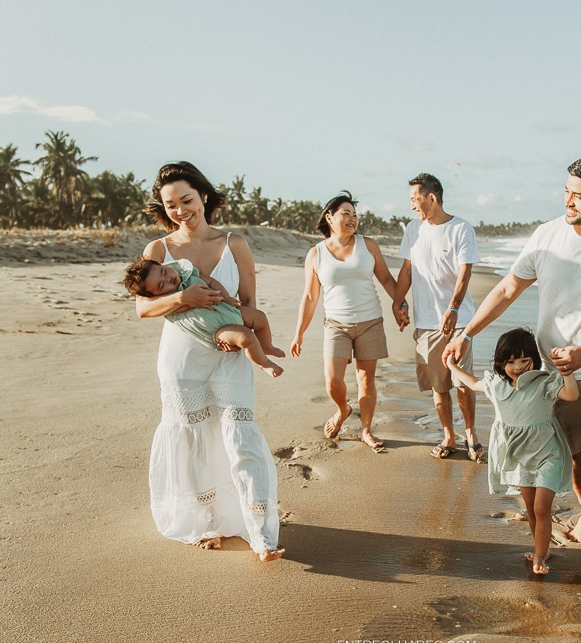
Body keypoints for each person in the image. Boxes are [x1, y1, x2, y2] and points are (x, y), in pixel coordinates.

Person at [443, 156, 581, 601]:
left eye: (578, 194)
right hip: (555, 377)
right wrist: (466, 333)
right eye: (566, 190)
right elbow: (509, 287)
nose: (567, 200)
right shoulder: (548, 236)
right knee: (577, 457)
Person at [135, 161, 284, 561]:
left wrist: (248, 338)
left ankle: (261, 532)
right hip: (182, 361)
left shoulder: (234, 243)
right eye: (171, 205)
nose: (181, 210)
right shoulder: (158, 250)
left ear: (203, 196)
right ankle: (208, 522)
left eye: (186, 200)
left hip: (230, 353)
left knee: (240, 437)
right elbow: (143, 309)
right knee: (195, 440)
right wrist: (184, 298)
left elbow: (250, 302)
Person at [446, 328, 578, 575]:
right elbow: (474, 383)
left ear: (534, 360)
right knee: (529, 508)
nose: (517, 367)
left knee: (541, 508)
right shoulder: (498, 386)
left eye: (524, 361)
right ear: (501, 363)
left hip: (547, 453)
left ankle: (540, 556)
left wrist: (567, 373)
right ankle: (542, 546)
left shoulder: (543, 383)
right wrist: (452, 367)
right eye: (510, 362)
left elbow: (571, 395)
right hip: (519, 457)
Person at [290, 191, 401, 452]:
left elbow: (386, 279)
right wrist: (299, 333)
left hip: (370, 321)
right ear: (329, 218)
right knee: (332, 380)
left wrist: (400, 304)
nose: (353, 219)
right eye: (346, 214)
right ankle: (342, 409)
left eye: (355, 214)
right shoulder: (316, 253)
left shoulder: (368, 245)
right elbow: (309, 296)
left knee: (366, 378)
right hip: (336, 324)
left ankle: (365, 430)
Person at [392, 173, 483, 461]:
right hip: (426, 323)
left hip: (459, 321)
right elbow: (407, 270)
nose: (411, 206)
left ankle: (471, 434)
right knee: (438, 385)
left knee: (462, 383)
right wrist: (398, 301)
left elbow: (464, 273)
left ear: (431, 197)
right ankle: (448, 436)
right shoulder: (412, 229)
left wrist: (454, 308)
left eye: (414, 199)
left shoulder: (461, 229)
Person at [123, 256, 285, 377]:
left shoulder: (190, 275)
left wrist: (227, 297)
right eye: (161, 285)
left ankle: (266, 346)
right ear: (155, 295)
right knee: (246, 337)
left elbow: (211, 282)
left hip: (227, 310)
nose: (168, 279)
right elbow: (145, 310)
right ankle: (263, 363)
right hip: (217, 329)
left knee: (260, 317)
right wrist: (184, 298)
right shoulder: (168, 304)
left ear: (163, 265)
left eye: (164, 272)